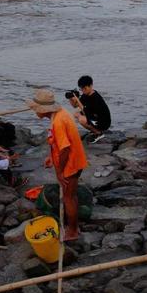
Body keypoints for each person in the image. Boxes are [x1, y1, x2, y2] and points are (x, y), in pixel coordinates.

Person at [28, 89, 88, 241]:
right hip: (75, 159)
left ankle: (73, 231)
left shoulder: (58, 122)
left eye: (35, 109)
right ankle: (73, 226)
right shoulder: (59, 114)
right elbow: (58, 142)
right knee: (71, 195)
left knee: (68, 197)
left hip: (71, 163)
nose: (34, 111)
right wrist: (51, 157)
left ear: (43, 109)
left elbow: (65, 148)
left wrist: (59, 172)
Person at [68, 75, 111, 143]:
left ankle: (99, 133)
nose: (83, 90)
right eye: (81, 88)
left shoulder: (95, 98)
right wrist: (71, 98)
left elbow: (85, 112)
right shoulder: (86, 94)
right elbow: (75, 106)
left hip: (104, 122)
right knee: (76, 113)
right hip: (95, 117)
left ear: (91, 86)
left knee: (81, 119)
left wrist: (77, 100)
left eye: (85, 88)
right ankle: (94, 130)